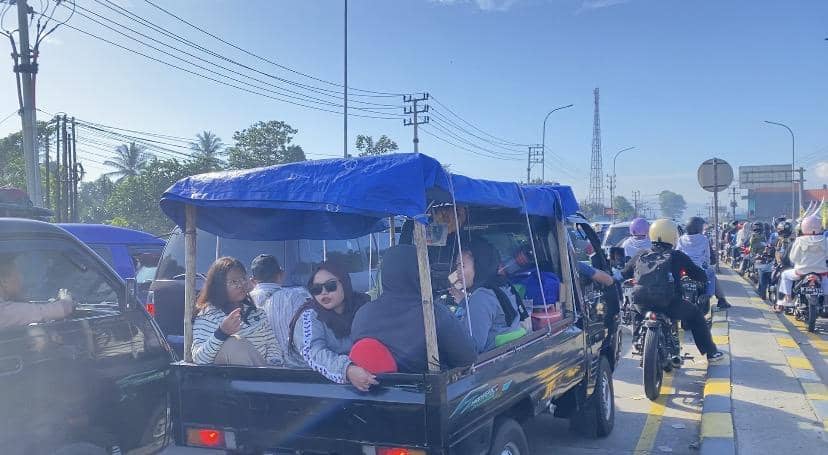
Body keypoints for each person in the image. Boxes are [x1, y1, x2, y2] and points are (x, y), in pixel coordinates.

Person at [351, 245, 477, 373]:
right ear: (420, 272)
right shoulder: (433, 314)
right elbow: (467, 358)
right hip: (426, 385)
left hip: (372, 385)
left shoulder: (362, 314)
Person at [621, 219, 724, 362]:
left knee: (634, 308)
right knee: (695, 315)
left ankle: (637, 340)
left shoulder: (641, 254)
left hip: (642, 302)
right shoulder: (677, 256)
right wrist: (700, 278)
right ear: (673, 236)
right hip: (668, 303)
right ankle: (711, 352)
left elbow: (625, 273)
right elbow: (699, 275)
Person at [286, 261, 378, 391]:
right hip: (315, 388)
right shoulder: (309, 316)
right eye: (316, 289)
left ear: (344, 283)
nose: (324, 292)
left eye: (330, 286)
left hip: (365, 380)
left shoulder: (362, 306)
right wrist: (347, 369)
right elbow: (314, 353)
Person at [191, 257, 281, 366]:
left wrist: (273, 365)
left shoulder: (258, 314)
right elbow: (199, 359)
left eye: (243, 279)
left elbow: (272, 346)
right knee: (234, 343)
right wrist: (221, 333)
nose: (241, 285)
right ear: (219, 286)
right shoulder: (207, 316)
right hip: (227, 376)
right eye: (234, 282)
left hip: (263, 373)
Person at [448, 239, 524, 353]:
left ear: (480, 266)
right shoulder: (503, 287)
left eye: (461, 266)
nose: (457, 272)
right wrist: (465, 302)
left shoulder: (480, 298)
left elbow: (470, 350)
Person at [249, 254, 310, 356]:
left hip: (255, 364)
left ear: (252, 281)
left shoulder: (243, 301)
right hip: (293, 364)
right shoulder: (296, 297)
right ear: (281, 274)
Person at [0, 253, 75, 330]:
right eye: (18, 274)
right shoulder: (3, 311)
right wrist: (66, 301)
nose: (22, 279)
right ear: (4, 281)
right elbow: (44, 312)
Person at [777, 216, 828, 308]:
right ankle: (826, 301)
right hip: (821, 272)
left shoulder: (799, 240)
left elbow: (793, 258)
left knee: (785, 275)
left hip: (801, 272)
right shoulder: (825, 240)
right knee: (825, 281)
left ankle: (788, 298)